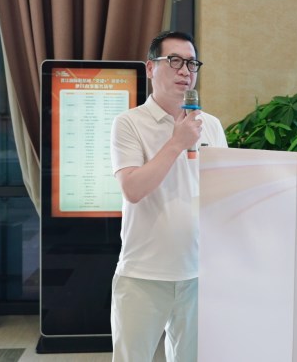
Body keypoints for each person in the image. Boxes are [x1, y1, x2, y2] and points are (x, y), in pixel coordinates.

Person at [109, 31, 228, 361]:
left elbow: (222, 193)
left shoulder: (211, 126)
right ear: (150, 68)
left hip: (198, 274)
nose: (185, 71)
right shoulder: (129, 123)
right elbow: (132, 189)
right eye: (174, 61)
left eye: (191, 63)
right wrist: (177, 142)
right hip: (143, 275)